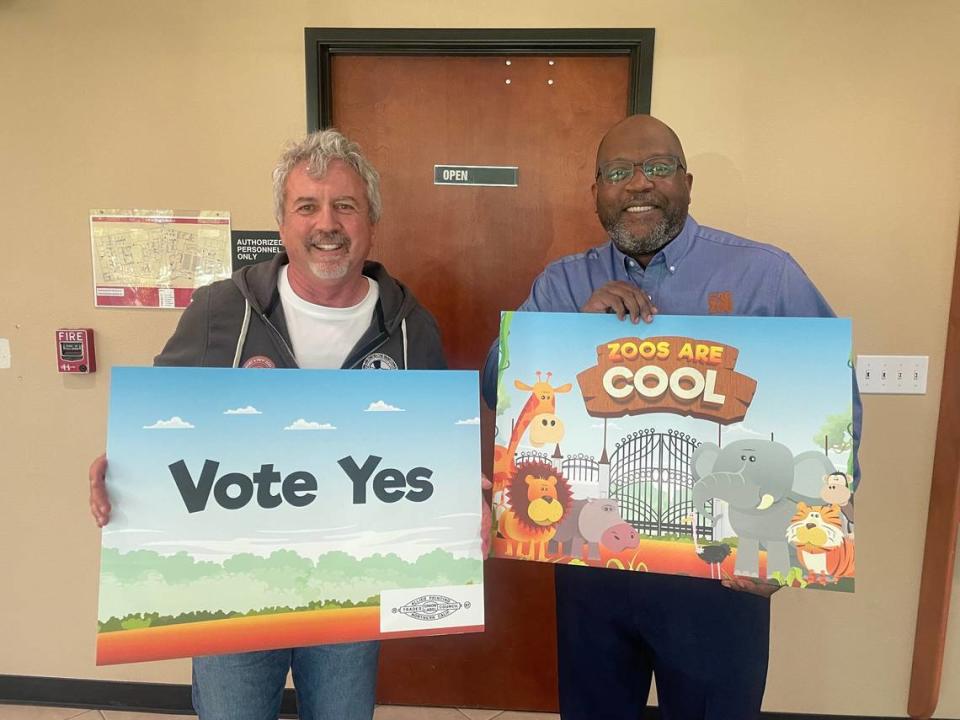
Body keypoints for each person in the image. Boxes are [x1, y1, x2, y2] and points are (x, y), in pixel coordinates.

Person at [89, 129, 487, 720]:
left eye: (345, 206)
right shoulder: (219, 311)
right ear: (283, 224)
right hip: (232, 592)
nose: (327, 223)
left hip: (351, 591)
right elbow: (162, 424)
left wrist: (465, 498)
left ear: (370, 222)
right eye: (308, 206)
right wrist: (121, 469)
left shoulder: (411, 328)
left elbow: (434, 455)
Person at [481, 114, 861, 720]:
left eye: (657, 168)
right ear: (597, 191)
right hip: (592, 565)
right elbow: (496, 384)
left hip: (721, 571)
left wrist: (798, 549)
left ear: (686, 181)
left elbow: (833, 405)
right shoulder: (564, 282)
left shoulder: (766, 276)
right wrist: (571, 330)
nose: (638, 185)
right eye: (619, 172)